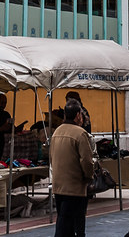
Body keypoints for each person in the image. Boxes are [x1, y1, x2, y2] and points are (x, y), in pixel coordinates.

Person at [50, 99, 95, 237]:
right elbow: (86, 161)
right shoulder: (80, 134)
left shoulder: (57, 131)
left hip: (58, 185)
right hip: (74, 186)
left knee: (64, 220)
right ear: (78, 115)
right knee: (70, 223)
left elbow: (51, 157)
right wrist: (89, 177)